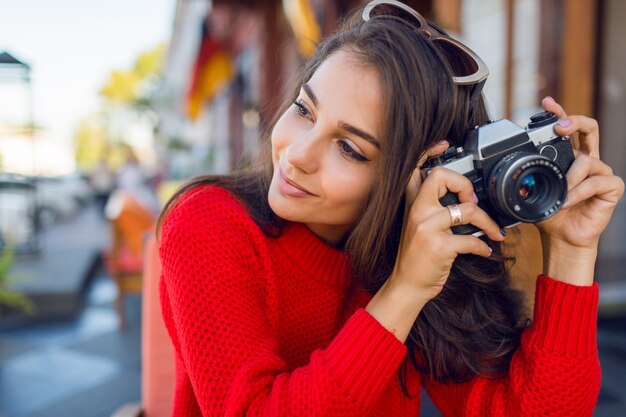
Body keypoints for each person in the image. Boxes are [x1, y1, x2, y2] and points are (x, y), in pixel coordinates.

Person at [157, 1, 624, 416]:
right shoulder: (209, 223)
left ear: (416, 177)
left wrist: (571, 250)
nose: (297, 153)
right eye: (305, 110)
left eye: (350, 148)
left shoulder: (419, 245)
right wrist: (402, 292)